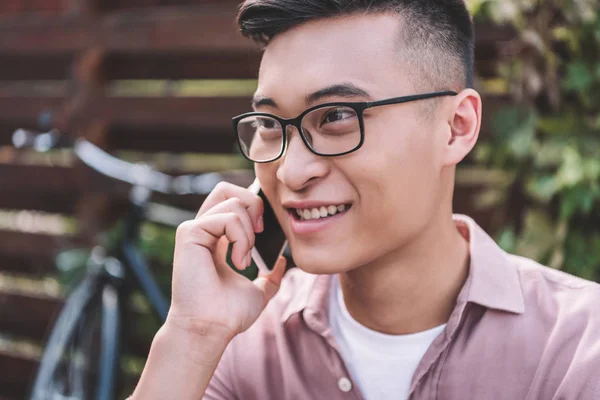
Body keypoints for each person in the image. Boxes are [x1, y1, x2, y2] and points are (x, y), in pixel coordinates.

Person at [129, 1, 600, 399]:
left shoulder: (575, 348)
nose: (290, 172)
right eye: (271, 124)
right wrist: (191, 336)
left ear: (456, 127)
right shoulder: (239, 342)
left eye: (335, 116)